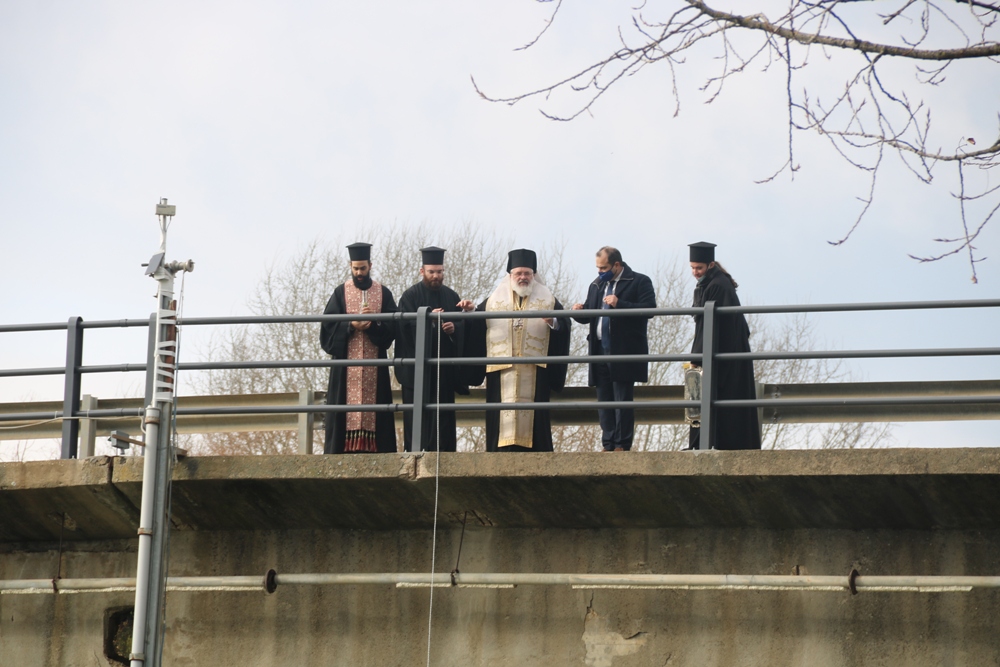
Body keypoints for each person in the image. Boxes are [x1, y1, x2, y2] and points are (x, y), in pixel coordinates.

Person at [463, 249, 572, 452]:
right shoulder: (493, 301)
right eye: (519, 273)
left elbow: (564, 325)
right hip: (501, 370)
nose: (523, 277)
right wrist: (470, 312)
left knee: (536, 419)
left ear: (533, 275)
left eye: (527, 273)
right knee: (499, 417)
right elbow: (478, 326)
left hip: (535, 370)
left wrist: (553, 321)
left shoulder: (548, 299)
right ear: (510, 275)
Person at [572, 247, 656, 451]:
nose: (600, 272)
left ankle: (622, 444)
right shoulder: (597, 285)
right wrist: (577, 312)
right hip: (599, 348)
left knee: (622, 399)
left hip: (624, 349)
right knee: (604, 399)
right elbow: (590, 315)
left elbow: (649, 309)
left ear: (617, 265)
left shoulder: (639, 281)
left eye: (604, 268)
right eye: (598, 268)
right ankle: (608, 443)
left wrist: (620, 304)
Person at [319, 242, 398, 454]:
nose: (359, 273)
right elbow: (327, 329)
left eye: (363, 268)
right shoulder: (340, 293)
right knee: (341, 411)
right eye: (355, 269)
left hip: (375, 367)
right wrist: (350, 325)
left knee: (379, 412)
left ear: (370, 265)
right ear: (350, 266)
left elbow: (392, 330)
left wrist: (373, 324)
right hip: (345, 369)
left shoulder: (383, 293)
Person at [687, 241, 761, 450]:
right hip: (724, 349)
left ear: (710, 265)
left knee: (715, 395)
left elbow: (707, 325)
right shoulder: (712, 282)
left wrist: (696, 357)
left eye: (699, 268)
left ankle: (709, 443)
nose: (695, 272)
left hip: (724, 351)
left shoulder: (717, 285)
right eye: (692, 268)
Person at [394, 246, 468, 452]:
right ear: (422, 271)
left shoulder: (451, 296)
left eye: (439, 272)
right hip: (417, 373)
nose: (436, 276)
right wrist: (427, 321)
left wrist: (453, 329)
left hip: (443, 372)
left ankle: (445, 456)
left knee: (443, 420)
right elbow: (403, 330)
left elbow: (462, 326)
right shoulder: (410, 296)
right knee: (417, 419)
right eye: (431, 272)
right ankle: (415, 455)